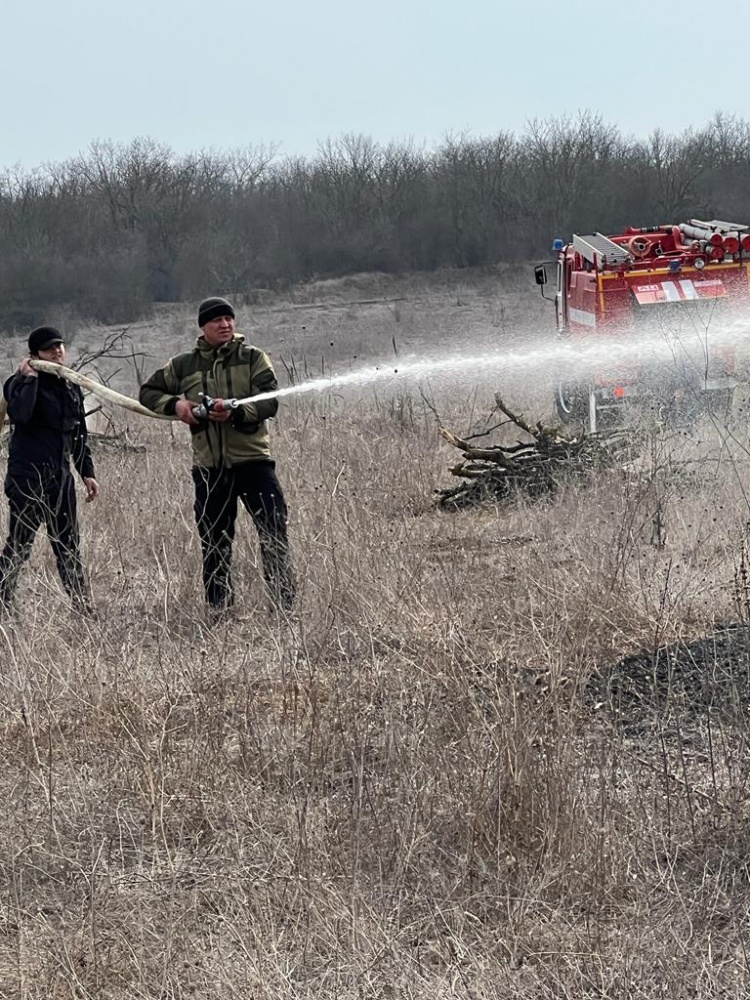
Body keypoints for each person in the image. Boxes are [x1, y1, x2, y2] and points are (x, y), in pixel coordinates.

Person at [139, 297, 295, 617]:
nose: (225, 325)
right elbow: (148, 392)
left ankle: (284, 610)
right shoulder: (183, 365)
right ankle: (219, 612)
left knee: (273, 532)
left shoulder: (253, 358)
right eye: (216, 321)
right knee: (214, 542)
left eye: (229, 319)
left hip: (253, 462)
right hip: (209, 468)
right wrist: (176, 405)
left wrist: (234, 412)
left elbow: (270, 402)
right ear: (203, 327)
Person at [0, 326, 99, 613]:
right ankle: (3, 602)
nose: (56, 351)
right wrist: (30, 378)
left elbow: (78, 433)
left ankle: (82, 607)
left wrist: (87, 472)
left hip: (60, 478)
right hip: (27, 477)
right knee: (20, 544)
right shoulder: (17, 383)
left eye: (59, 345)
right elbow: (21, 414)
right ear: (34, 354)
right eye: (48, 348)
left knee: (68, 544)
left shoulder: (70, 385)